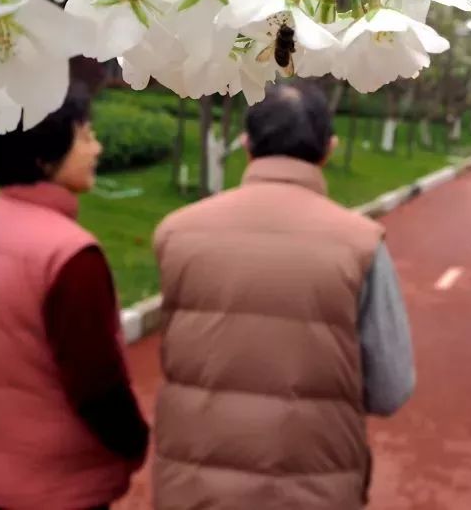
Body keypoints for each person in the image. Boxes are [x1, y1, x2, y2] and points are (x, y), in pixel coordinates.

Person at [152, 79, 416, 510]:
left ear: (246, 145)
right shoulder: (362, 245)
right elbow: (391, 388)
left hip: (193, 490)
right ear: (329, 149)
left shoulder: (176, 232)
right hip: (311, 491)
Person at [0, 84, 150, 510]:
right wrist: (136, 441)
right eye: (85, 136)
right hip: (59, 488)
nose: (98, 148)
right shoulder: (70, 256)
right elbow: (97, 387)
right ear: (45, 155)